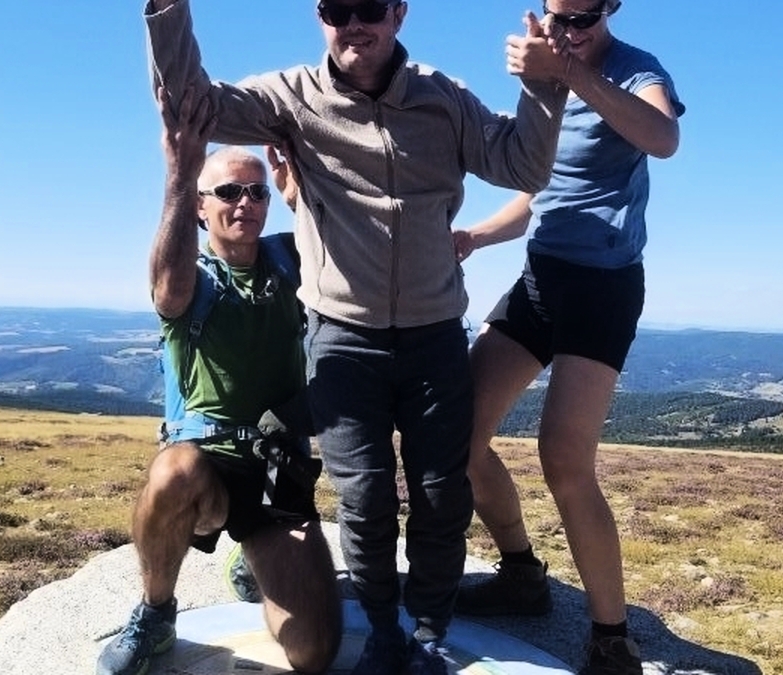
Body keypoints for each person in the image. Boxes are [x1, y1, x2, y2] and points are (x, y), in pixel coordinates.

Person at [142, 2, 568, 673]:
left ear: (399, 13)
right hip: (344, 341)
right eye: (339, 9)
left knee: (439, 492)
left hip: (433, 338)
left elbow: (522, 166)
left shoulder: (442, 100)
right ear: (320, 15)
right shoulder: (292, 99)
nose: (354, 23)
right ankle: (386, 633)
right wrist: (167, 13)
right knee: (365, 499)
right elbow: (190, 102)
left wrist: (545, 85)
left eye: (370, 6)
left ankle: (427, 634)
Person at [450, 2, 685, 674]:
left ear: (610, 8)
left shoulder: (635, 70)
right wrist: (475, 235)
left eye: (581, 17)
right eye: (556, 17)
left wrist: (570, 71)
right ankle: (522, 573)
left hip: (604, 283)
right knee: (457, 430)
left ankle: (612, 639)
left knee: (563, 456)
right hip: (542, 276)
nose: (567, 30)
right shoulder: (551, 76)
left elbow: (662, 137)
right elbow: (540, 191)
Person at [96, 86, 342, 675]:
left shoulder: (289, 260)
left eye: (256, 192)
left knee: (313, 652)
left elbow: (346, 255)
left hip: (276, 471)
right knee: (173, 471)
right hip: (204, 468)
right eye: (227, 192)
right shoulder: (193, 277)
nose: (245, 203)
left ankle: (252, 560)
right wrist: (181, 171)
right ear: (202, 207)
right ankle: (156, 614)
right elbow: (166, 290)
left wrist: (302, 198)